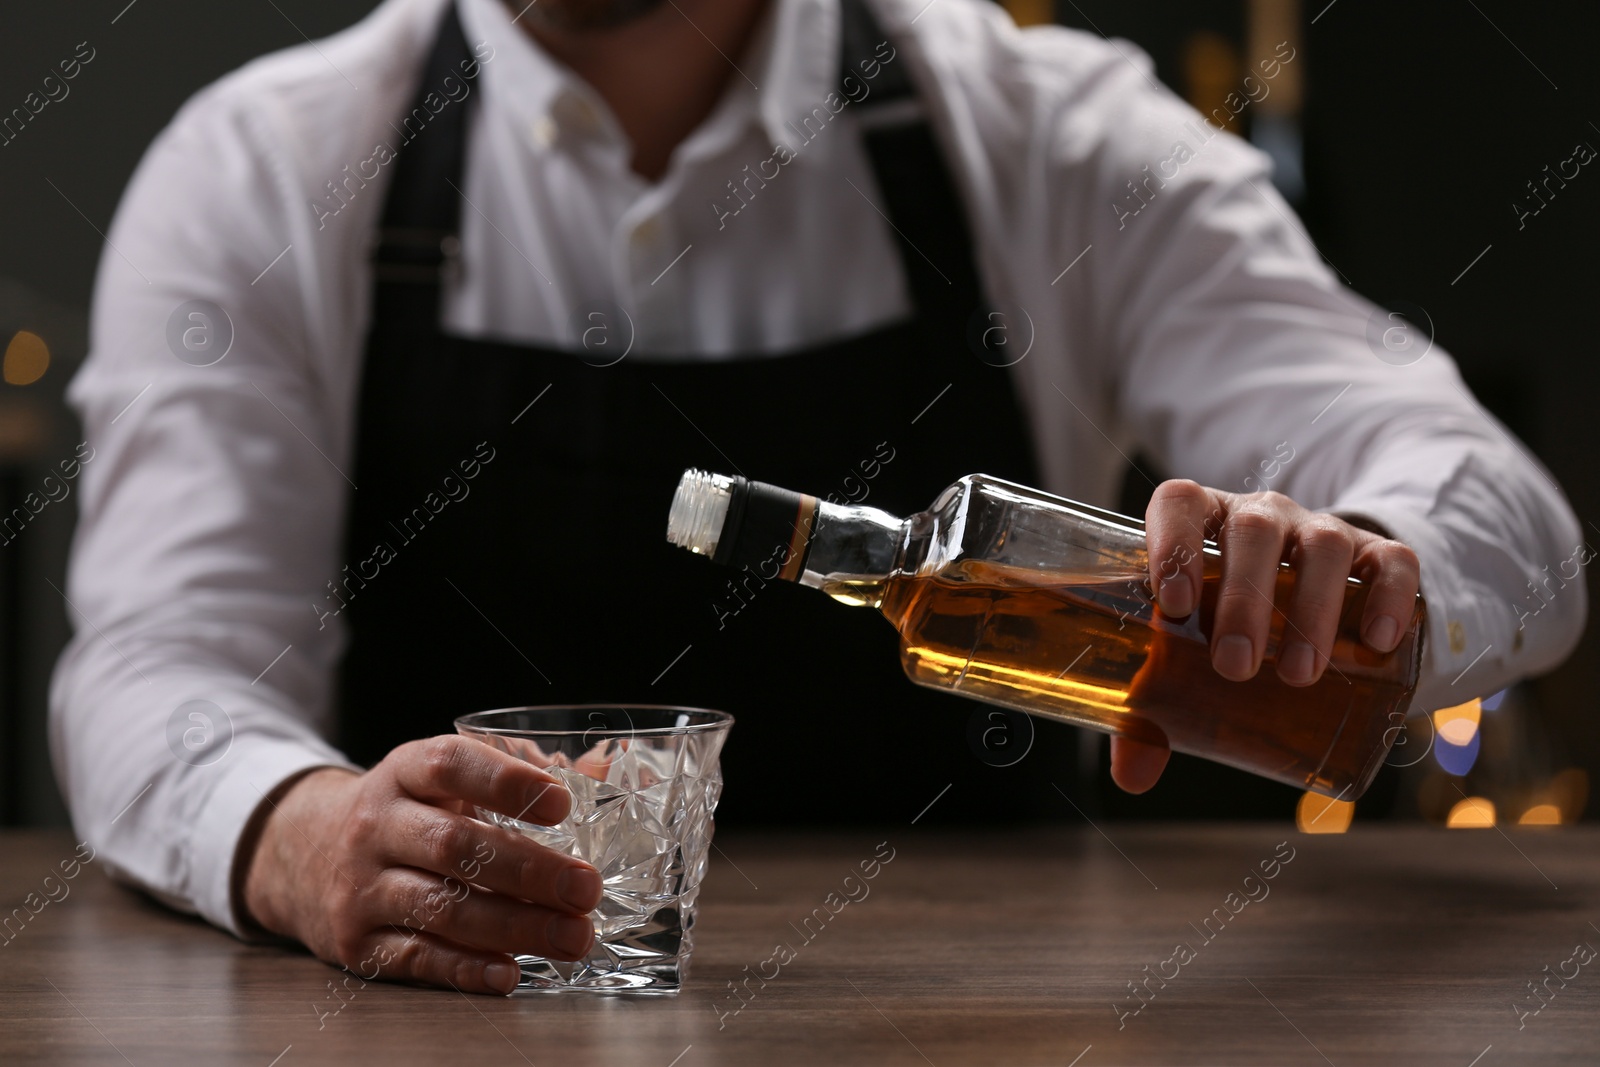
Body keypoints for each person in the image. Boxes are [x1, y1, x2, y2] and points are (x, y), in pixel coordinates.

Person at [52, 0, 1584, 997]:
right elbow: (152, 664)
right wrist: (305, 836)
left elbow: (1498, 506)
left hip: (994, 1027)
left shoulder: (1048, 137)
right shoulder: (268, 168)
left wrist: (1366, 567)